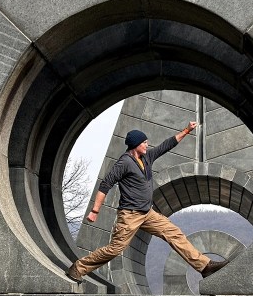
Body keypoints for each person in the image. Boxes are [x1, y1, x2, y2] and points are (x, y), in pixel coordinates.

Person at [66, 123, 228, 287]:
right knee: (115, 249)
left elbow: (167, 145)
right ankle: (77, 268)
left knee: (174, 233)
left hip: (147, 214)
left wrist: (186, 130)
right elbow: (105, 184)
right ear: (136, 144)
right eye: (144, 142)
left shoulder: (146, 158)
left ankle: (205, 267)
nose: (147, 145)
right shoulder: (124, 163)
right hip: (129, 215)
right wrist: (95, 210)